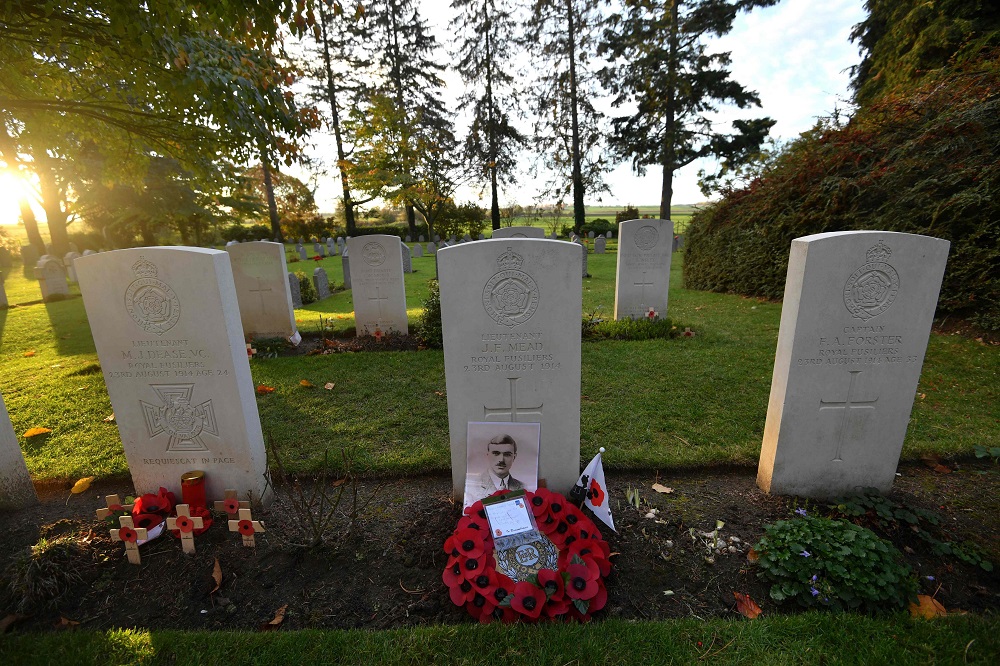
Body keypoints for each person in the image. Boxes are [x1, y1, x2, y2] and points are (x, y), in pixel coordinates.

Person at [468, 433, 524, 502]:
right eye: (496, 453)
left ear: (514, 457)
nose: (501, 459)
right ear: (488, 455)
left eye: (507, 454)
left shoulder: (522, 487)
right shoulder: (473, 486)